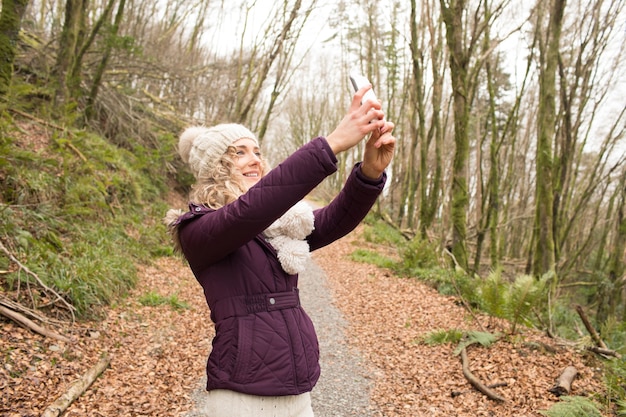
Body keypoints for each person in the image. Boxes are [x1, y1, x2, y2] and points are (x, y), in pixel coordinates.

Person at [164, 85, 395, 417]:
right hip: (241, 399)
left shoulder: (276, 225)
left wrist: (370, 173)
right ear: (214, 166)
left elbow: (332, 221)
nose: (254, 159)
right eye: (239, 152)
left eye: (257, 151)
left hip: (297, 392)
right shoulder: (200, 229)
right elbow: (251, 210)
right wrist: (331, 144)